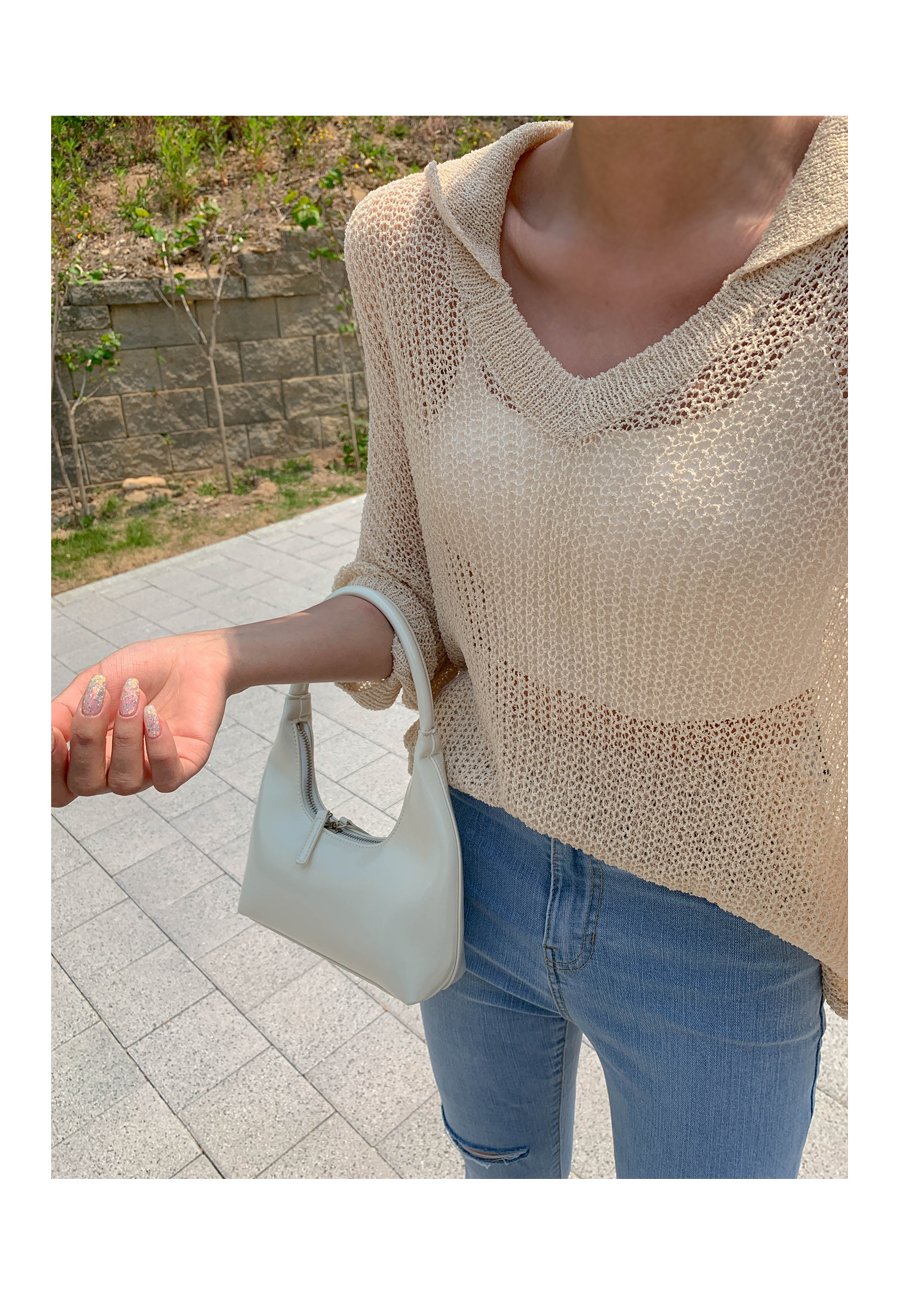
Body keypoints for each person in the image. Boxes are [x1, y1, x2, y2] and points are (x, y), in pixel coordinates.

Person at [51, 116, 847, 1179]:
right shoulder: (415, 246)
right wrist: (222, 653)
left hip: (731, 920)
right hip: (470, 872)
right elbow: (406, 584)